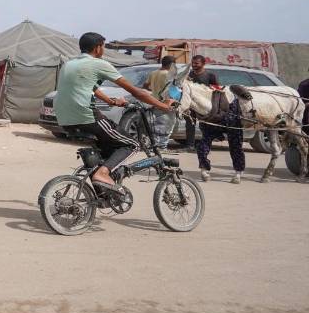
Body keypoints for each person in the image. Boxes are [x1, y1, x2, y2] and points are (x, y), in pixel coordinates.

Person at [53, 32, 173, 194]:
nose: (104, 49)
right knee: (132, 144)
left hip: (64, 118)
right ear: (97, 48)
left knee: (110, 145)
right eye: (103, 45)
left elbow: (92, 88)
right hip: (87, 116)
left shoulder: (69, 64)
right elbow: (136, 92)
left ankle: (102, 188)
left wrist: (110, 101)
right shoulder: (98, 63)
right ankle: (103, 174)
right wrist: (164, 106)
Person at [195, 92, 246, 183]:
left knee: (236, 145)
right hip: (211, 118)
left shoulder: (231, 94)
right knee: (203, 145)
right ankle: (204, 170)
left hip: (231, 115)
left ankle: (238, 173)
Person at [180, 55, 219, 149]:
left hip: (204, 106)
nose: (194, 65)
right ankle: (190, 145)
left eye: (196, 63)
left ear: (203, 64)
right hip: (191, 105)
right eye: (193, 63)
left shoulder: (210, 75)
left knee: (205, 126)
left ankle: (205, 145)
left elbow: (217, 89)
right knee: (189, 124)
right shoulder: (189, 75)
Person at [146, 56, 178, 148]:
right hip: (166, 104)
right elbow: (174, 90)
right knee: (166, 129)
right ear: (172, 65)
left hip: (154, 103)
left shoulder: (153, 73)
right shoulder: (169, 75)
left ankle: (154, 148)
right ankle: (162, 148)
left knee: (155, 129)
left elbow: (145, 85)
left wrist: (155, 90)